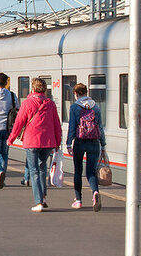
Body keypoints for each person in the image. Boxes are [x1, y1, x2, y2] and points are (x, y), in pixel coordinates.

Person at [9, 78, 62, 212]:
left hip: (32, 141)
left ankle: (38, 202)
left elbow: (19, 122)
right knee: (42, 167)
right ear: (44, 90)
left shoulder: (27, 103)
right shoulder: (51, 104)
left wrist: (11, 139)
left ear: (32, 89)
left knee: (34, 171)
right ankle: (43, 197)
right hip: (48, 142)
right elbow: (57, 124)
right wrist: (58, 141)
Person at [65, 83, 106, 211]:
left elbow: (72, 127)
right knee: (91, 172)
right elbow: (100, 127)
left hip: (80, 142)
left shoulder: (74, 108)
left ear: (76, 94)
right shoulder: (96, 107)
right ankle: (95, 193)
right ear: (86, 92)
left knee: (78, 171)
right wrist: (103, 144)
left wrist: (68, 143)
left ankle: (78, 200)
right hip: (94, 142)